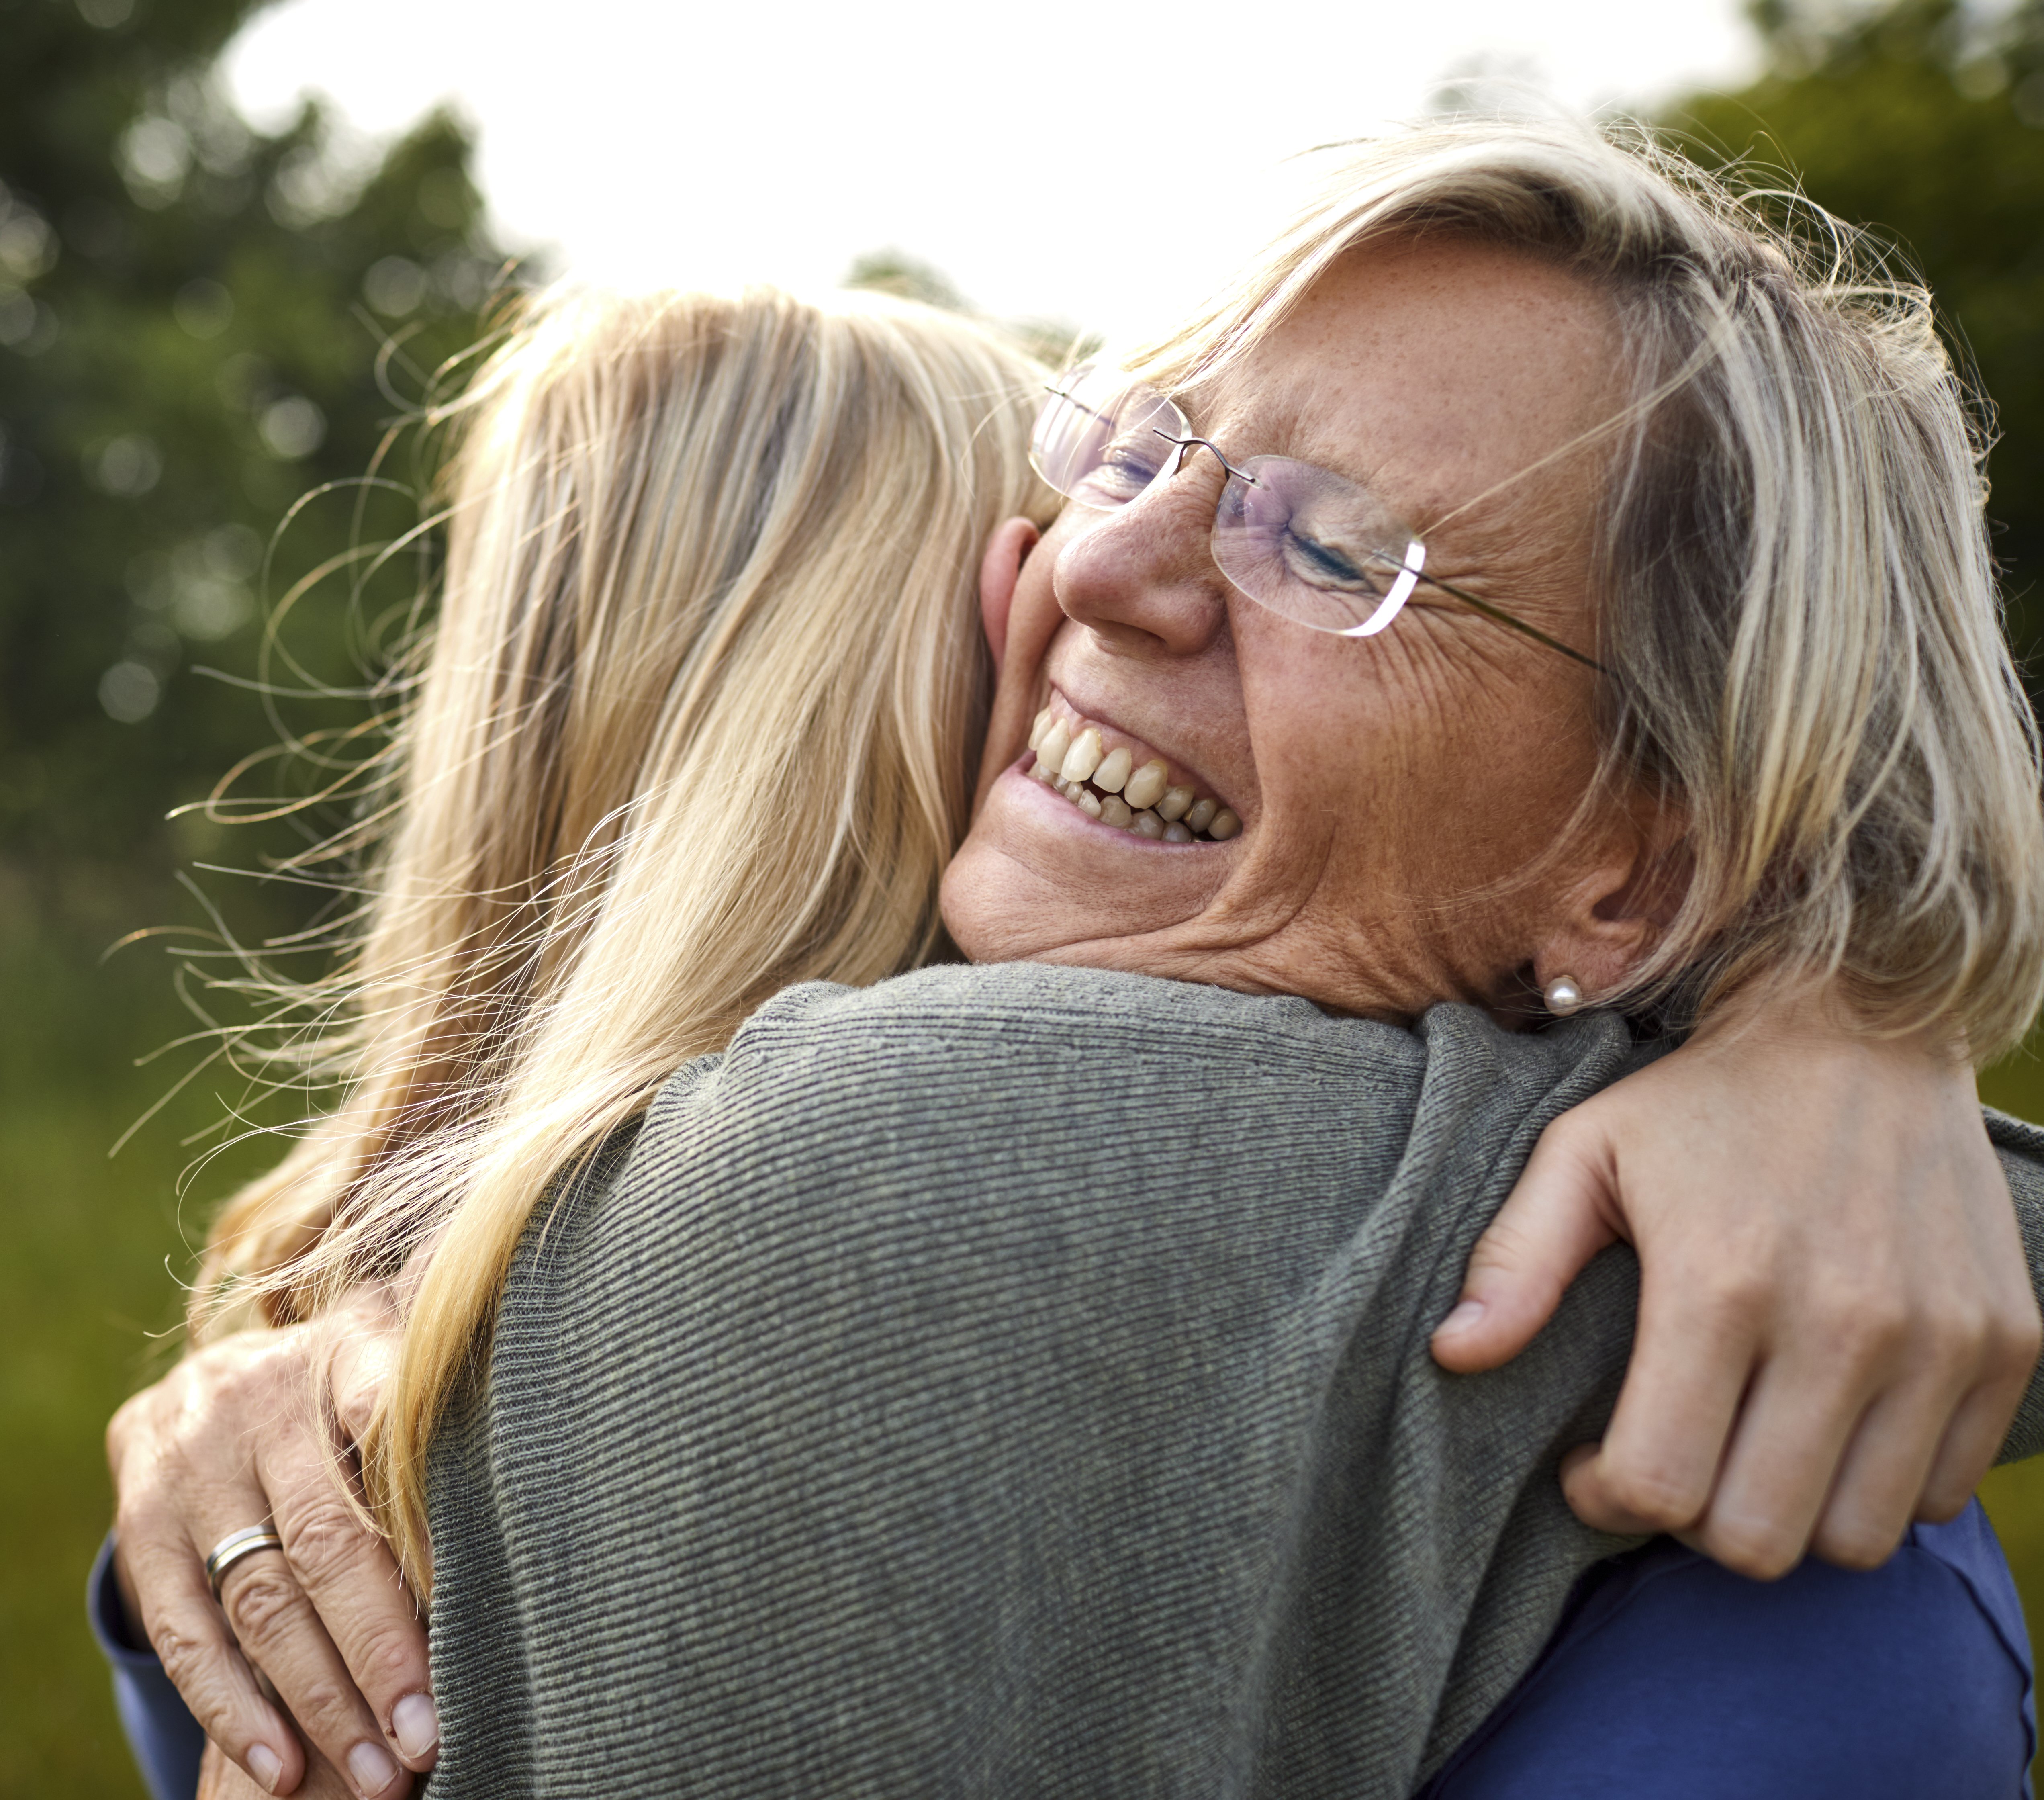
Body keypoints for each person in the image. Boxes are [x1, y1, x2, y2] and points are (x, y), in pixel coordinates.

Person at [105, 120, 2044, 1800]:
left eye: (1338, 551)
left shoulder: (1812, 1626)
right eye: (1136, 448)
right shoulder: (687, 1207)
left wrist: (1858, 1018)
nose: (1106, 570)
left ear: (1634, 874)